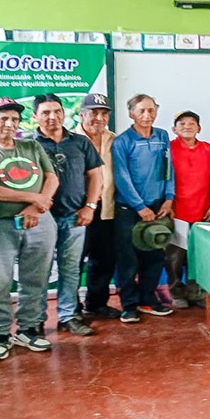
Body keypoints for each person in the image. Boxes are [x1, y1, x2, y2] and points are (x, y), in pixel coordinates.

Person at [0, 97, 58, 360]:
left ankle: (29, 329)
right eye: (3, 119)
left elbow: (51, 177)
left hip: (39, 221)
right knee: (1, 281)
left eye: (14, 119)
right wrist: (32, 198)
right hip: (0, 225)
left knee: (36, 279)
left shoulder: (31, 146)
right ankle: (0, 334)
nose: (10, 124)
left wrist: (36, 208)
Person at [33, 94, 103, 337]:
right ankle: (35, 320)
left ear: (64, 113)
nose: (53, 117)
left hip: (75, 216)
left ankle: (68, 315)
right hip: (41, 219)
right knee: (39, 270)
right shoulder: (29, 145)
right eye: (45, 113)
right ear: (35, 117)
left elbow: (95, 176)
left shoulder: (80, 143)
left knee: (71, 268)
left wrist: (90, 206)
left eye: (57, 111)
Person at [112, 94, 176, 323]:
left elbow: (169, 169)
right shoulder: (122, 141)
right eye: (141, 111)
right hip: (129, 209)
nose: (147, 115)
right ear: (131, 113)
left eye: (151, 110)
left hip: (158, 206)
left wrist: (169, 199)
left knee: (154, 256)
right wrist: (140, 207)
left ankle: (148, 299)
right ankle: (129, 305)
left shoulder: (162, 136)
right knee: (128, 260)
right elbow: (122, 177)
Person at [165, 110, 210, 309]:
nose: (187, 126)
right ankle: (176, 292)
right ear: (174, 129)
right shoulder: (168, 149)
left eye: (192, 123)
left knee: (200, 256)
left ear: (199, 128)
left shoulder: (209, 150)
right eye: (182, 123)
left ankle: (195, 292)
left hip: (203, 212)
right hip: (176, 212)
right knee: (174, 258)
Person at [74, 93, 122, 320]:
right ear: (82, 114)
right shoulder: (70, 139)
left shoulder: (114, 139)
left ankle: (96, 303)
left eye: (104, 113)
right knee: (73, 261)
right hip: (78, 212)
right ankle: (71, 309)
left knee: (104, 259)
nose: (99, 118)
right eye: (94, 113)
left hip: (107, 209)